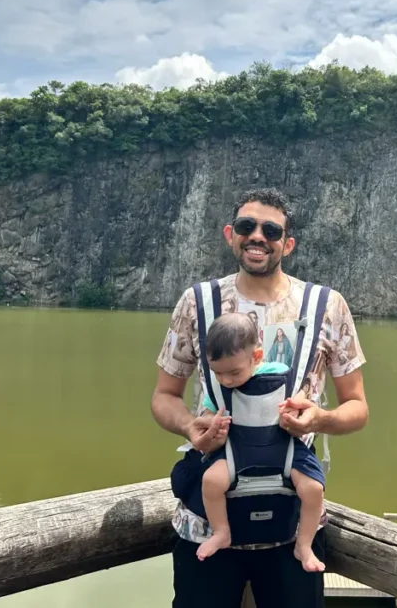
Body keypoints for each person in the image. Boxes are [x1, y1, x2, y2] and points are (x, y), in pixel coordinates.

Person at [151, 187, 369, 608]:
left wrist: (319, 419)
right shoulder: (198, 302)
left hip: (293, 529)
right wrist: (190, 427)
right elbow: (164, 396)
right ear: (230, 234)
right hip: (206, 523)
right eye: (247, 226)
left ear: (287, 243)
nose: (257, 236)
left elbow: (357, 408)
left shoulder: (327, 306)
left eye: (271, 230)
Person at [193, 312, 325, 571]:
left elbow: (301, 396)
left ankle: (304, 544)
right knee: (211, 481)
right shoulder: (218, 389)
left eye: (234, 372)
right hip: (237, 451)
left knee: (313, 488)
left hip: (283, 449)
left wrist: (296, 408)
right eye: (217, 373)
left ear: (256, 356)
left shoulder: (281, 374)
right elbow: (207, 414)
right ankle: (221, 532)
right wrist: (212, 423)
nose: (226, 380)